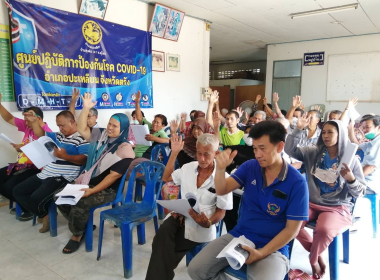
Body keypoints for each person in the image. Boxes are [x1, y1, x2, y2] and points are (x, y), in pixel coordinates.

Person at [187, 121, 309, 280]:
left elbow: (291, 230)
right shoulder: (251, 167)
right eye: (255, 148)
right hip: (240, 236)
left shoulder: (297, 183)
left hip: (272, 248)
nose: (257, 154)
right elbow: (222, 189)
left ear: (279, 147)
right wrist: (221, 168)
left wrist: (260, 253)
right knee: (196, 269)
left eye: (263, 149)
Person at [285, 118, 366, 279]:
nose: (326, 136)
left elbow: (360, 192)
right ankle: (316, 253)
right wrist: (298, 130)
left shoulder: (351, 161)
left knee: (324, 230)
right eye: (324, 132)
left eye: (330, 132)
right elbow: (290, 150)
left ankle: (313, 259)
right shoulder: (313, 153)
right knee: (290, 221)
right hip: (312, 202)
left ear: (340, 134)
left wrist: (351, 179)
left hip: (337, 207)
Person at [145, 133, 233, 280]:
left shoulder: (223, 178)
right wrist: (174, 153)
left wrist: (209, 222)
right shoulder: (188, 168)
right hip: (180, 215)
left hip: (202, 223)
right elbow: (166, 178)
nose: (202, 159)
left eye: (207, 154)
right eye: (199, 153)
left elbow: (221, 211)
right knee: (161, 235)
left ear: (216, 153)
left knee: (166, 249)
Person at [58, 93, 135, 254]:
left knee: (80, 203)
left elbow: (112, 176)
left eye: (115, 126)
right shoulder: (101, 136)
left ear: (123, 129)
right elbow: (81, 128)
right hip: (89, 181)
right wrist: (85, 108)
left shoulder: (125, 150)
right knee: (60, 196)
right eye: (109, 124)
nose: (110, 128)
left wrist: (91, 191)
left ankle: (77, 235)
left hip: (108, 190)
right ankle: (83, 226)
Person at [12, 110, 89, 233]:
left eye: (62, 125)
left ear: (72, 122)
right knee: (18, 191)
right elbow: (41, 135)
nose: (60, 128)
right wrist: (34, 121)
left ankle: (44, 213)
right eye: (58, 125)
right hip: (46, 172)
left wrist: (66, 156)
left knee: (36, 197)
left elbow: (84, 159)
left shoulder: (82, 138)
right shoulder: (58, 135)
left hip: (63, 176)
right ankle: (44, 215)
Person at [0, 93, 52, 220]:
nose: (26, 124)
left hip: (34, 168)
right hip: (21, 164)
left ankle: (28, 208)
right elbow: (9, 118)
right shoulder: (28, 126)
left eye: (29, 121)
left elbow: (42, 155)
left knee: (11, 186)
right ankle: (23, 204)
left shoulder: (46, 132)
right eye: (26, 121)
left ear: (38, 119)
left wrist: (22, 148)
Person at [348, 114, 380, 194]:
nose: (364, 130)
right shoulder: (372, 142)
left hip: (369, 185)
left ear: (378, 128)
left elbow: (370, 167)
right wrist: (350, 128)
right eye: (363, 127)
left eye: (367, 127)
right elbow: (355, 145)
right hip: (365, 181)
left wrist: (352, 178)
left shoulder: (378, 144)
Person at [133, 90, 169, 158]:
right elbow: (139, 117)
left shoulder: (160, 132)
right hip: (134, 153)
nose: (154, 124)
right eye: (154, 121)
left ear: (163, 125)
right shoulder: (149, 126)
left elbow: (168, 141)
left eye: (157, 123)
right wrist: (137, 102)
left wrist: (154, 138)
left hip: (143, 157)